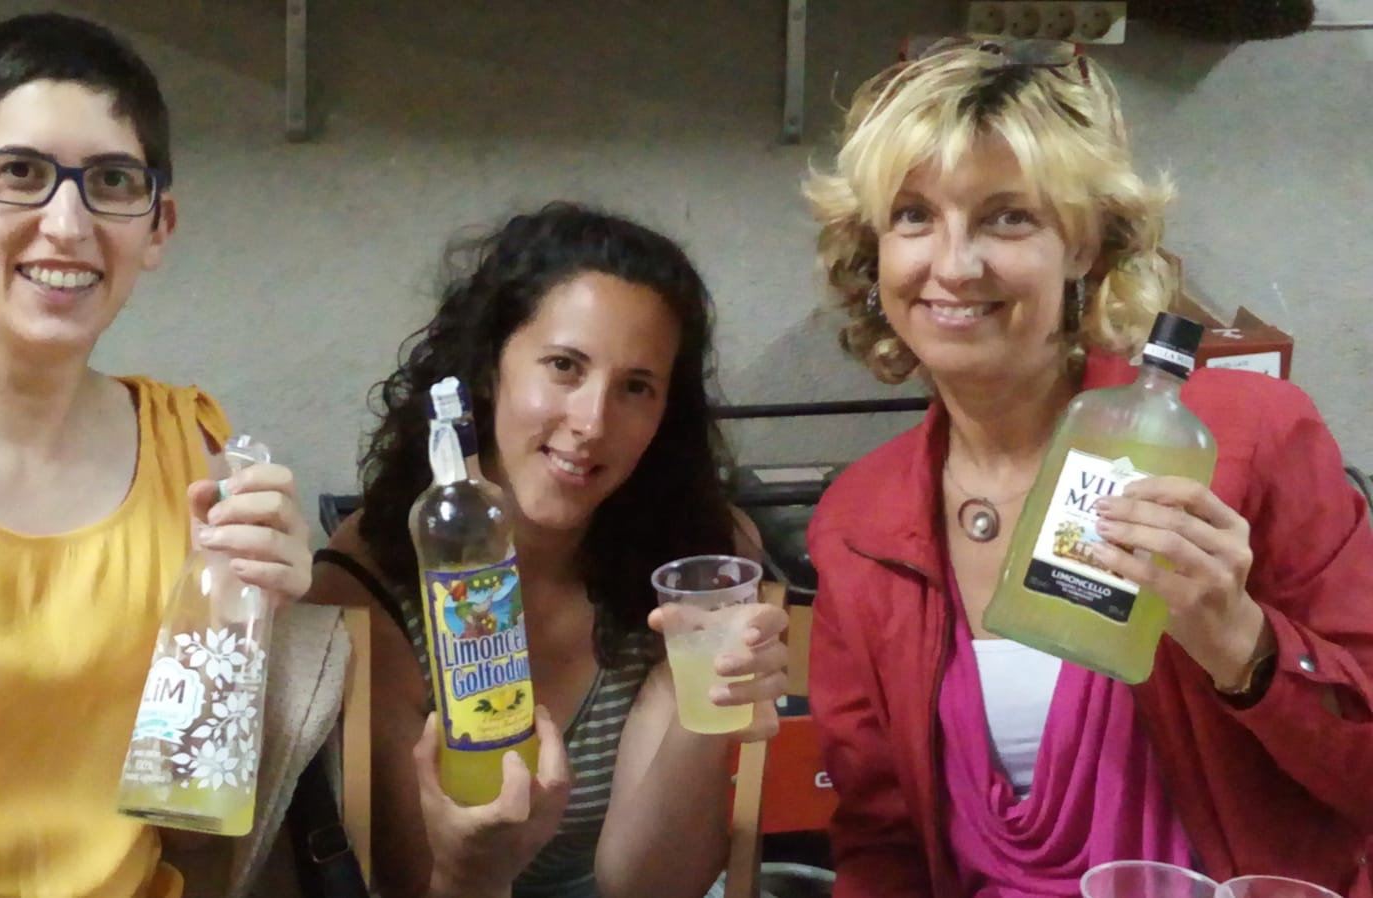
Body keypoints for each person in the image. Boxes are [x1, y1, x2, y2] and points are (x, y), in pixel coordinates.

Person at [0, 14, 345, 898]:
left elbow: (189, 810)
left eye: (112, 181)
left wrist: (247, 629)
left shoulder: (193, 458)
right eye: (19, 173)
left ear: (157, 227)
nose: (68, 224)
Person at [802, 37, 1373, 898]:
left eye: (1007, 217)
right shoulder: (859, 523)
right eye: (913, 216)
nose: (953, 265)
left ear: (1083, 245)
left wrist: (1241, 645)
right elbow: (882, 844)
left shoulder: (1244, 442)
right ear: (873, 249)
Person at [306, 202, 790, 898]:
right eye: (564, 366)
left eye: (636, 387)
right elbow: (416, 882)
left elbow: (648, 888)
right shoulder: (371, 580)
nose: (592, 422)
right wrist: (475, 866)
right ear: (488, 367)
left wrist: (706, 707)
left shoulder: (693, 555)